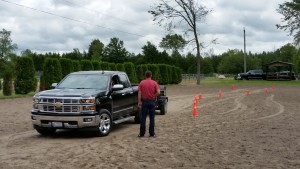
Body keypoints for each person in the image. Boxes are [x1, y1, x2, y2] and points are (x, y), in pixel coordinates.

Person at [138, 70, 160, 137]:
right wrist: (154, 96)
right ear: (151, 75)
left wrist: (139, 102)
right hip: (152, 101)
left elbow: (139, 93)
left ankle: (142, 133)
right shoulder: (154, 83)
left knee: (143, 118)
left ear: (145, 76)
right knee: (152, 118)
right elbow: (158, 92)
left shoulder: (141, 83)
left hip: (144, 102)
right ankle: (152, 133)